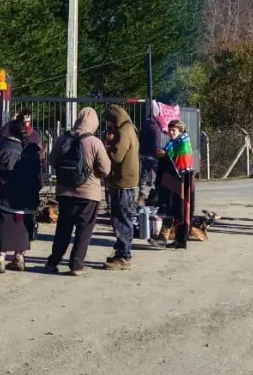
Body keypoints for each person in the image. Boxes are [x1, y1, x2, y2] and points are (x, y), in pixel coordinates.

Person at [45, 107, 111, 276]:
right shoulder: (94, 142)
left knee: (63, 229)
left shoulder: (63, 139)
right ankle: (76, 265)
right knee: (84, 230)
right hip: (88, 194)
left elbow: (51, 160)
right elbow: (105, 169)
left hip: (64, 192)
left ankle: (53, 262)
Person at [0, 119, 44, 273]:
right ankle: (19, 258)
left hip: (6, 194)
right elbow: (39, 177)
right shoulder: (33, 151)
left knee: (4, 224)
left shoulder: (6, 148)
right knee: (23, 225)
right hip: (27, 196)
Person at [102, 105, 140, 270]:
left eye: (109, 121)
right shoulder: (130, 128)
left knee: (121, 218)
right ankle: (121, 252)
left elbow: (117, 157)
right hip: (128, 180)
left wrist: (107, 146)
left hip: (122, 181)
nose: (108, 125)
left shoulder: (123, 132)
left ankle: (124, 256)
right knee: (124, 216)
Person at [150, 120, 194, 248]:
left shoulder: (183, 142)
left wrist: (165, 154)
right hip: (172, 181)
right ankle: (176, 239)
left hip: (181, 180)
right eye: (169, 130)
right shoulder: (172, 142)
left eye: (173, 130)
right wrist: (163, 155)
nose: (171, 133)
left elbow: (181, 160)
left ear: (181, 130)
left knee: (177, 208)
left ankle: (172, 238)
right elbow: (170, 156)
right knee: (171, 207)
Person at [139, 100, 165, 208]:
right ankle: (158, 196)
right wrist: (158, 151)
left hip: (144, 153)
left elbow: (141, 137)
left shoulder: (145, 123)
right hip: (153, 155)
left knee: (144, 175)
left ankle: (141, 196)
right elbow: (156, 141)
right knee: (160, 175)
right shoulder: (155, 125)